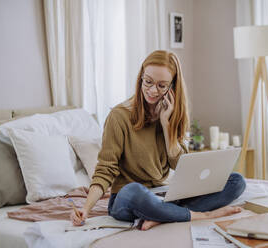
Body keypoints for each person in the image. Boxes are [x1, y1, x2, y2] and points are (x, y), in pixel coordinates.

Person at [70, 50, 246, 231]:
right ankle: (198, 215)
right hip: (129, 199)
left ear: (172, 86)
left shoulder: (172, 115)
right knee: (133, 190)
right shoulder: (119, 116)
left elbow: (181, 166)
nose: (153, 90)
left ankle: (163, 216)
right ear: (141, 78)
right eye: (148, 82)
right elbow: (106, 169)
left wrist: (166, 125)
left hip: (163, 195)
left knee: (236, 181)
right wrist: (86, 208)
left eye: (162, 86)